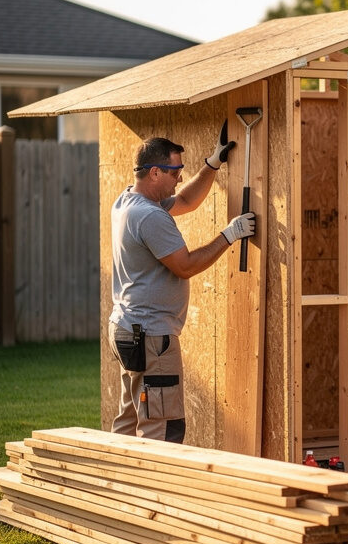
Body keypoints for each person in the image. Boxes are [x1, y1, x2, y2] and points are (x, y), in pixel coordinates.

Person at [108, 123, 256, 444]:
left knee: (130, 419)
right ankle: (155, 479)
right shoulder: (150, 217)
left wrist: (212, 164)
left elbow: (186, 200)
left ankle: (115, 473)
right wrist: (230, 234)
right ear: (155, 173)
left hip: (127, 329)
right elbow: (185, 266)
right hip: (151, 337)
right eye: (175, 172)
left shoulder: (127, 202)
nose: (179, 177)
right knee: (162, 427)